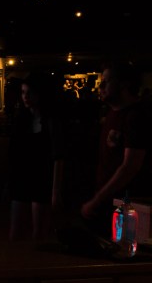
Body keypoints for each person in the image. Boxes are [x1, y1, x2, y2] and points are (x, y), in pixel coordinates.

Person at [80, 60, 152, 240]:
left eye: (107, 81)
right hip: (111, 201)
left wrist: (98, 199)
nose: (101, 85)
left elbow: (130, 166)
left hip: (129, 202)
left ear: (124, 84)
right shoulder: (113, 113)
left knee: (125, 256)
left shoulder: (136, 116)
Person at [8, 73, 66, 241]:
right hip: (23, 178)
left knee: (39, 232)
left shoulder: (51, 121)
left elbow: (58, 156)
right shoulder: (22, 119)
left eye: (29, 92)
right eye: (23, 92)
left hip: (42, 177)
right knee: (16, 231)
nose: (25, 97)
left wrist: (56, 190)